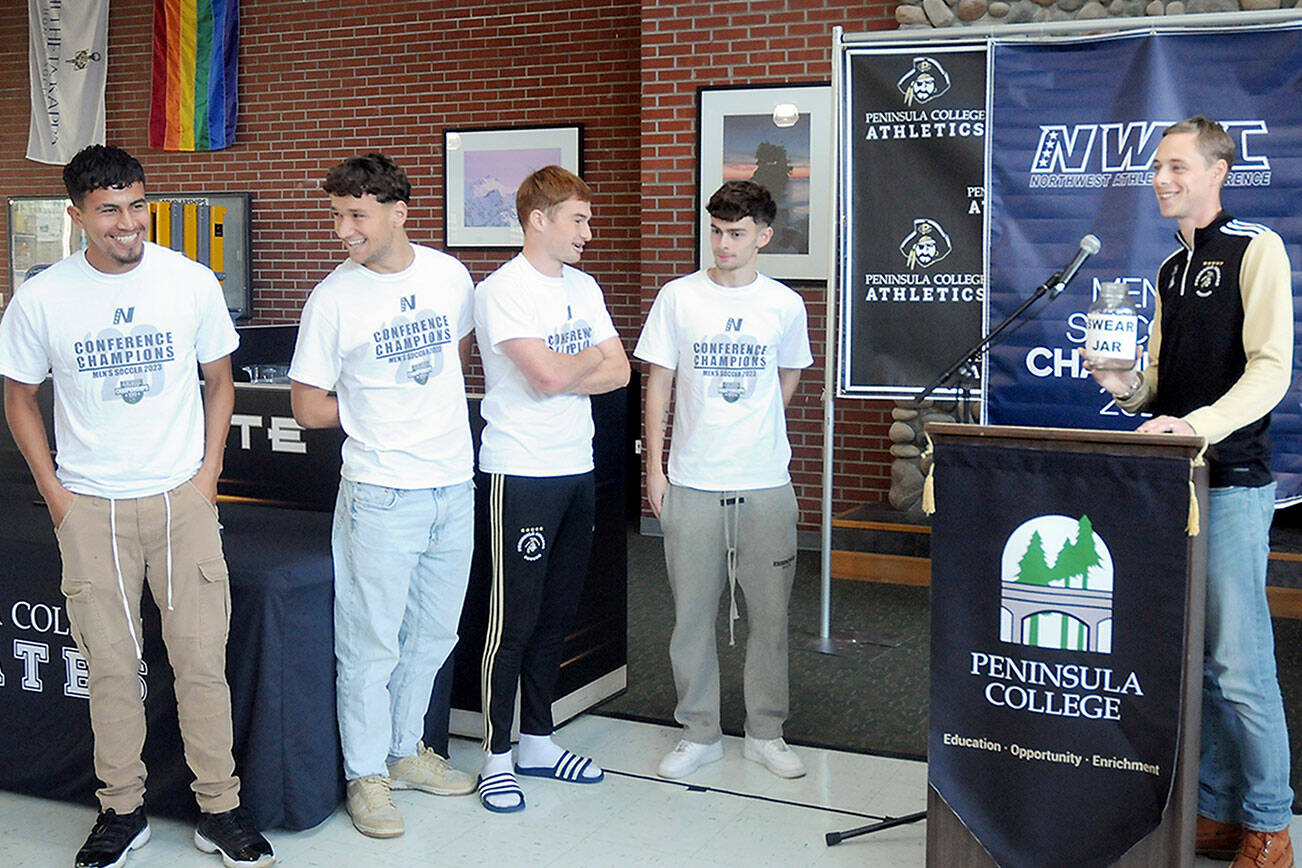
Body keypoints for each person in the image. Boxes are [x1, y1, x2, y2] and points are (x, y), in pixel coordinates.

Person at [0, 145, 273, 868]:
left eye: (136, 206)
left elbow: (221, 380)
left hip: (181, 498)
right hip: (90, 505)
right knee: (113, 669)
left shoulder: (188, 282)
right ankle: (122, 812)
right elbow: (18, 396)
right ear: (77, 216)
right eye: (108, 211)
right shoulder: (43, 296)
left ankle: (220, 808)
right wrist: (55, 492)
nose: (127, 224)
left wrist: (207, 475)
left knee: (200, 663)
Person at [1088, 116, 1294, 868]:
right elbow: (1157, 388)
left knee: (1242, 668)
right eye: (1156, 168)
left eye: (1177, 166)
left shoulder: (1255, 248)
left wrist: (1195, 427)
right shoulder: (1170, 270)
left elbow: (1270, 370)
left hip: (1232, 482)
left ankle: (1270, 826)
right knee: (1200, 666)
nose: (1161, 178)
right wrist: (1125, 385)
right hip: (1177, 485)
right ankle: (1215, 811)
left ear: (1217, 170)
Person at [289, 153, 477, 838]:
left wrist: (405, 399)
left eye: (356, 215)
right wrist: (372, 402)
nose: (343, 229)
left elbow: (456, 357)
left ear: (400, 213)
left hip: (454, 485)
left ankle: (403, 752)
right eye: (337, 215)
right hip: (380, 495)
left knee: (432, 633)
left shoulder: (450, 276)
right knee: (370, 645)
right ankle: (365, 773)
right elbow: (308, 405)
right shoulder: (333, 298)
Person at [634, 180, 813, 781]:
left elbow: (787, 379)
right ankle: (700, 731)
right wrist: (653, 470)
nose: (723, 243)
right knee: (691, 616)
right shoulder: (678, 298)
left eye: (736, 233)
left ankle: (766, 731)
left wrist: (753, 426)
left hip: (764, 481)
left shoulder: (785, 305)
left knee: (770, 615)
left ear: (764, 235)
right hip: (691, 479)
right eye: (716, 231)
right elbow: (657, 384)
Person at [473, 165, 629, 812]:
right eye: (579, 221)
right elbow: (543, 378)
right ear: (539, 220)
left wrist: (576, 367)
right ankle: (495, 756)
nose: (588, 233)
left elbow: (619, 371)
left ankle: (538, 740)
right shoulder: (502, 290)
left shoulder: (585, 287)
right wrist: (579, 363)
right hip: (522, 470)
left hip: (576, 467)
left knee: (559, 612)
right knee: (514, 619)